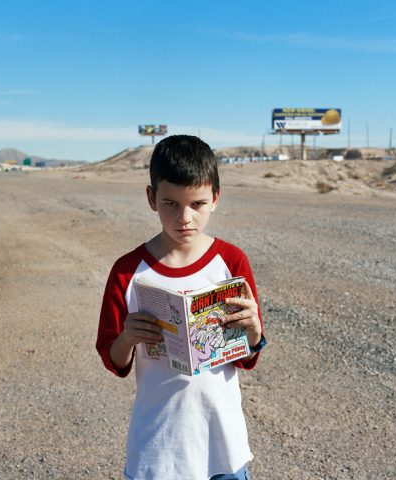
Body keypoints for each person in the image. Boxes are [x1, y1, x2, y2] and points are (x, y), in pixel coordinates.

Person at [96, 135, 266, 480]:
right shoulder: (129, 270)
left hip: (223, 445)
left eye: (197, 204)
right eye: (171, 204)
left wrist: (255, 332)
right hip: (158, 447)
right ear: (151, 199)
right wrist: (128, 337)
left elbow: (247, 356)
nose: (184, 217)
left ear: (215, 199)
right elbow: (113, 359)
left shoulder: (231, 262)